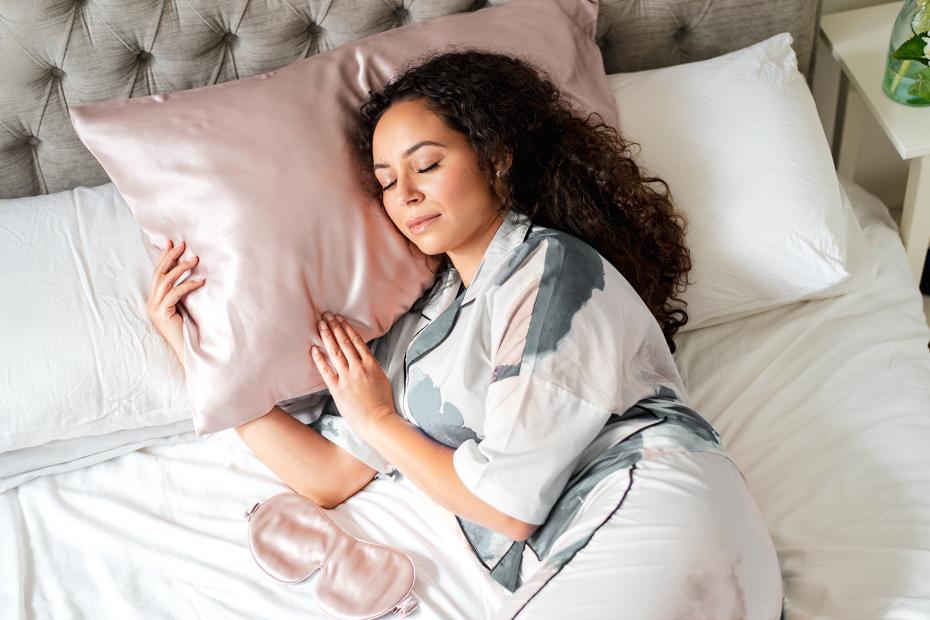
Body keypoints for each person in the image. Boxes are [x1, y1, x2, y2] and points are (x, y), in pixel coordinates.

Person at [148, 50, 784, 617]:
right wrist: (199, 356)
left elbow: (507, 506)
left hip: (649, 508)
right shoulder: (422, 323)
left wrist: (379, 420)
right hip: (579, 551)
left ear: (495, 157)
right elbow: (329, 476)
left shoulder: (554, 275)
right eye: (388, 182)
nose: (407, 196)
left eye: (426, 165)